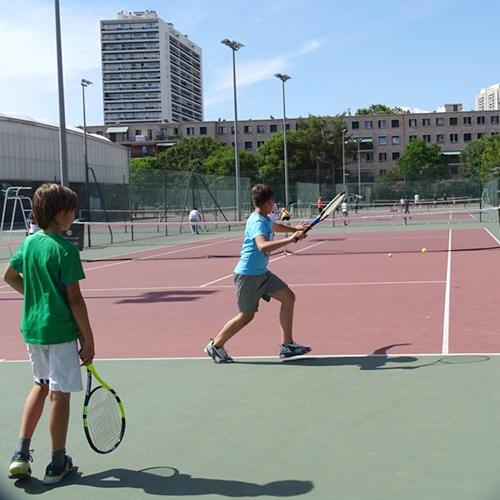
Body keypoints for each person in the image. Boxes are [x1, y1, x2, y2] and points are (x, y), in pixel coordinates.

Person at [4, 183, 95, 485]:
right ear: (60, 214)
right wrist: (88, 339)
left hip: (32, 331)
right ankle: (57, 462)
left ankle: (20, 453)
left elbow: (9, 276)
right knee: (59, 395)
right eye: (71, 210)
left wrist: (36, 298)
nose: (74, 215)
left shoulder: (29, 243)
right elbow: (75, 300)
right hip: (59, 332)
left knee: (40, 385)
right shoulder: (66, 249)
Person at [204, 183, 311, 363]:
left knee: (288, 297)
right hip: (247, 275)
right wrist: (292, 239)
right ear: (270, 201)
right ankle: (215, 346)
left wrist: (295, 230)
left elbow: (275, 226)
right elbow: (262, 246)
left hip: (261, 273)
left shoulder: (264, 218)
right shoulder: (256, 221)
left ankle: (287, 345)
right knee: (246, 316)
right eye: (274, 201)